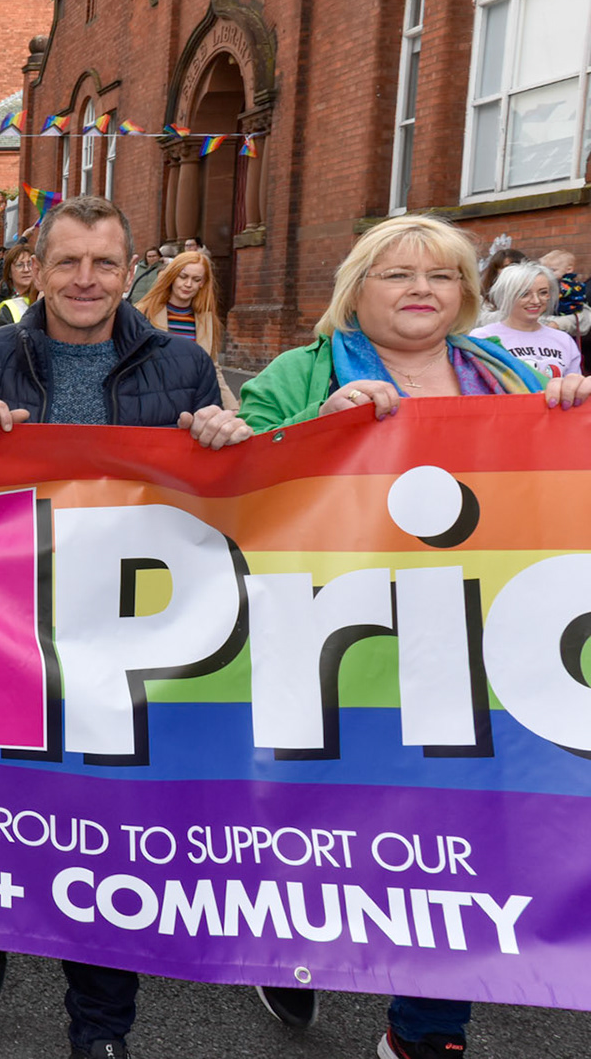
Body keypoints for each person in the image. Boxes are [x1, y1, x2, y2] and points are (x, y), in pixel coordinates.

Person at [234, 212, 586, 1058]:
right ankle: (291, 939)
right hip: (334, 643)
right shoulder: (299, 371)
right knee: (319, 811)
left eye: (440, 275)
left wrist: (571, 421)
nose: (421, 290)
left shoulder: (506, 377)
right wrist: (319, 423)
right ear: (357, 290)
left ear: (466, 294)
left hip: (466, 645)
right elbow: (235, 483)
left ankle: (426, 1033)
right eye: (397, 274)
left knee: (455, 828)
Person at [0, 196, 242, 1059]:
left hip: (127, 646)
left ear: (130, 268)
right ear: (35, 266)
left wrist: (227, 435)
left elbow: (237, 494)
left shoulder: (181, 365)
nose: (86, 280)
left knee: (111, 838)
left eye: (105, 262)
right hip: (4, 635)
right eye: (68, 262)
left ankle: (100, 1029)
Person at [133, 248, 238, 408]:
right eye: (183, 277)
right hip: (151, 403)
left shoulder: (206, 320)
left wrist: (234, 409)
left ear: (202, 283)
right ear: (172, 276)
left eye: (196, 279)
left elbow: (213, 369)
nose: (188, 284)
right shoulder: (144, 312)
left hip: (192, 403)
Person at [470, 261, 582, 379]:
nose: (536, 301)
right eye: (524, 294)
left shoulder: (563, 340)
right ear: (506, 295)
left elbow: (575, 387)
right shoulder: (483, 337)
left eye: (543, 293)